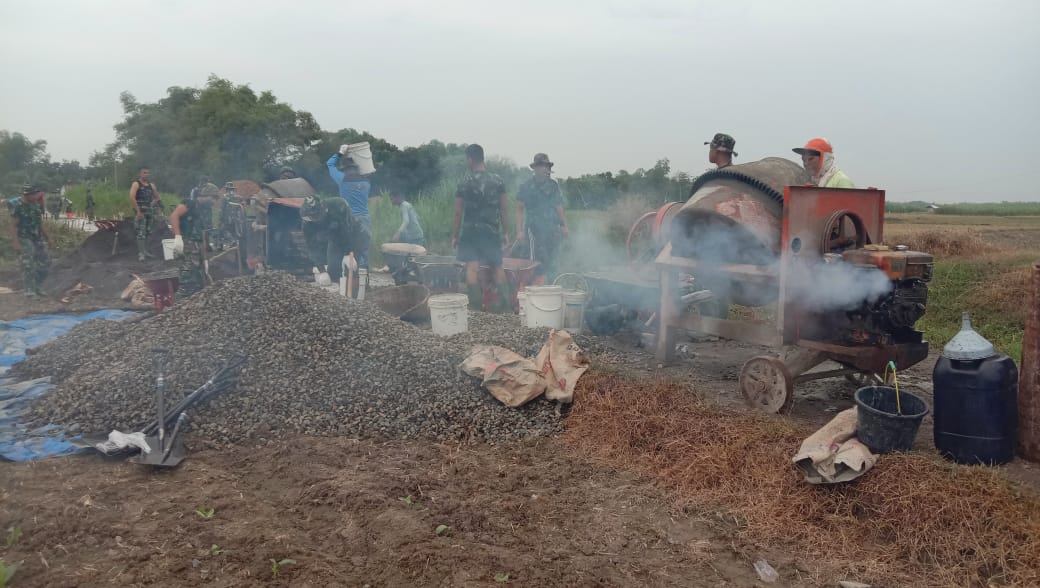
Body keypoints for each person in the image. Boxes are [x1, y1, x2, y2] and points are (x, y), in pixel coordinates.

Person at [451, 143, 511, 311]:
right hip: (491, 231)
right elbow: (504, 209)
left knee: (471, 267)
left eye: (466, 159)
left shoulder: (464, 182)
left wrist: (454, 235)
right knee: (497, 267)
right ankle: (506, 307)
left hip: (471, 232)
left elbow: (458, 212)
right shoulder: (498, 181)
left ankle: (476, 308)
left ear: (470, 159)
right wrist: (506, 232)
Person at [516, 153, 569, 285]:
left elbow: (559, 206)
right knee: (537, 261)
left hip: (552, 229)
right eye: (543, 166)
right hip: (533, 230)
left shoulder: (553, 185)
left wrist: (564, 226)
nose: (547, 169)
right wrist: (519, 231)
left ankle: (549, 289)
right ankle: (534, 290)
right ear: (535, 168)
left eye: (548, 166)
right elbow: (519, 209)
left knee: (551, 260)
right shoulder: (526, 186)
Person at [327, 146, 375, 270]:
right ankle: (364, 277)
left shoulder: (342, 179)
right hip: (365, 218)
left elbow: (330, 164)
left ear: (345, 169)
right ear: (357, 169)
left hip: (349, 218)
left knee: (348, 246)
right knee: (364, 247)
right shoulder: (367, 182)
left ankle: (346, 272)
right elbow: (369, 171)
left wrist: (340, 153)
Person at [300, 194, 363, 288]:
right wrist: (321, 270)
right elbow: (312, 246)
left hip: (354, 235)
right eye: (312, 216)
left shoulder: (339, 206)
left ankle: (355, 294)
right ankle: (338, 294)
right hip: (334, 239)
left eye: (318, 215)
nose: (316, 218)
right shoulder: (307, 224)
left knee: (351, 268)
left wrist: (348, 252)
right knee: (333, 268)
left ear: (323, 209)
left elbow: (347, 230)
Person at [169, 182, 218, 294]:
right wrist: (177, 237)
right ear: (206, 195)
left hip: (198, 246)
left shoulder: (205, 211)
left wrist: (205, 258)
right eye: (213, 198)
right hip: (186, 243)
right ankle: (182, 301)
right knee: (187, 275)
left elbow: (203, 234)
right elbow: (174, 216)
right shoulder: (190, 203)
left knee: (200, 278)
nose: (214, 201)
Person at [8, 184, 51, 297]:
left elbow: (40, 224)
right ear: (26, 195)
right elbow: (13, 226)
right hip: (24, 238)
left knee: (45, 263)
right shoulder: (18, 207)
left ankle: (38, 286)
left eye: (35, 194)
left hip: (37, 238)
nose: (35, 196)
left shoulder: (36, 206)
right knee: (28, 264)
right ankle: (29, 290)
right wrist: (16, 242)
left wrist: (48, 238)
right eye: (33, 194)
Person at [129, 166, 162, 261]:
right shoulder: (136, 184)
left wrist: (151, 205)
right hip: (140, 212)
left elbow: (157, 197)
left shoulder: (151, 185)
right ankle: (141, 253)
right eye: (144, 173)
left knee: (148, 232)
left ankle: (146, 251)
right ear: (140, 174)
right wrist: (138, 211)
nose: (146, 174)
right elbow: (132, 197)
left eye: (147, 173)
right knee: (140, 232)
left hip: (149, 212)